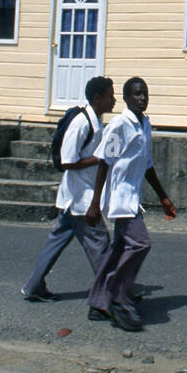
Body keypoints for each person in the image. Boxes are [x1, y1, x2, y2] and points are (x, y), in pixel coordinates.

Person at [85, 77, 176, 331]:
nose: (142, 98)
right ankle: (118, 295)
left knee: (117, 250)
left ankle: (98, 303)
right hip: (119, 197)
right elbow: (105, 161)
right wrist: (94, 203)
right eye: (136, 94)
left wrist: (163, 197)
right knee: (140, 244)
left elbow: (147, 165)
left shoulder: (144, 124)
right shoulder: (121, 125)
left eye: (145, 94)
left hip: (132, 197)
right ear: (125, 98)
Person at [20, 77, 115, 302]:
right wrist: (98, 159)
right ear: (97, 98)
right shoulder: (82, 123)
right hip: (80, 198)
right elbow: (67, 161)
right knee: (100, 243)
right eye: (110, 96)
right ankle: (111, 293)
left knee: (56, 242)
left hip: (74, 197)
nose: (114, 101)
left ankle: (33, 286)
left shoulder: (96, 122)